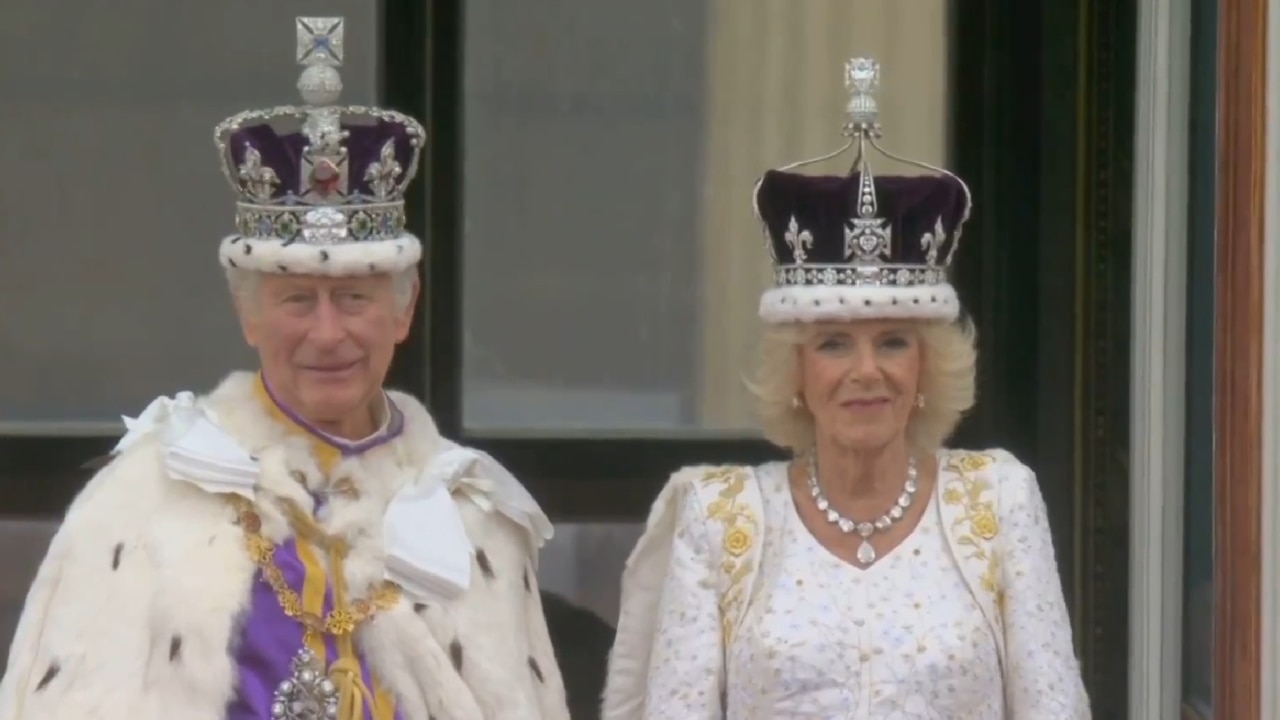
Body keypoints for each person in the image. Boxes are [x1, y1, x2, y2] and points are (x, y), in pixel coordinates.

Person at [0, 17, 569, 720]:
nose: (327, 334)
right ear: (248, 315)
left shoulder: (477, 517)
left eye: (354, 298)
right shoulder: (142, 499)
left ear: (405, 309)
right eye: (297, 299)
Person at [601, 57, 1090, 719]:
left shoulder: (998, 503)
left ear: (926, 366)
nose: (867, 370)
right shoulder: (722, 520)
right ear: (798, 370)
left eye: (893, 341)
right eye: (834, 343)